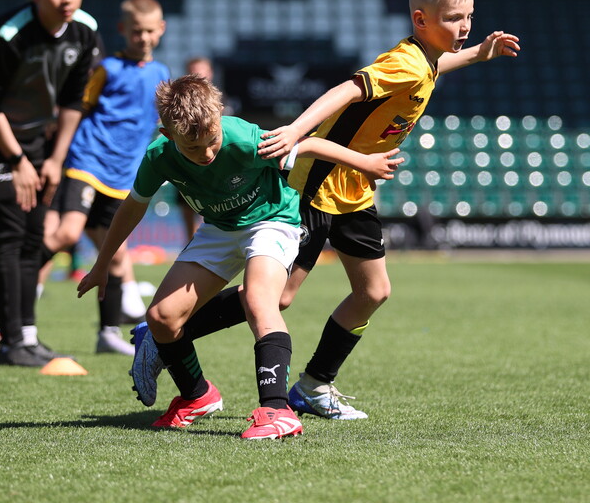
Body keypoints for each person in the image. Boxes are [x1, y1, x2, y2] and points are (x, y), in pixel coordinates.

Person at [129, 0, 519, 419]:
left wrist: (477, 54)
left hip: (354, 188)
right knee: (277, 298)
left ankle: (313, 385)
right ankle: (161, 334)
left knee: (373, 292)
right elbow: (347, 90)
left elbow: (437, 63)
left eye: (469, 16)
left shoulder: (425, 58)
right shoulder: (405, 62)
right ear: (421, 20)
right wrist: (295, 129)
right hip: (315, 185)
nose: (466, 25)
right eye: (455, 18)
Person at [76, 74, 401, 438]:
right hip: (219, 228)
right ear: (169, 136)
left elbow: (309, 146)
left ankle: (277, 410)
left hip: (272, 220)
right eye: (194, 149)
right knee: (162, 317)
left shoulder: (243, 138)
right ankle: (197, 397)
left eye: (212, 141)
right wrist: (102, 264)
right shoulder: (159, 158)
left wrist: (363, 162)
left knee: (261, 302)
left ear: (219, 120)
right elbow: (131, 209)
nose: (208, 154)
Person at [0, 0, 104, 367]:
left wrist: (55, 159)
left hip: (39, 141)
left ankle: (26, 336)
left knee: (33, 236)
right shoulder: (7, 35)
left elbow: (74, 102)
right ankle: (9, 343)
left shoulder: (84, 32)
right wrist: (18, 162)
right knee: (8, 232)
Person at [40, 0, 170, 355]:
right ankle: (7, 300)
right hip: (87, 161)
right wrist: (57, 157)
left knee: (114, 253)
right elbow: (77, 110)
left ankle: (107, 334)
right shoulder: (107, 69)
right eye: (135, 31)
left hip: (122, 173)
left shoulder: (162, 75)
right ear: (122, 30)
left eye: (149, 31)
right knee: (66, 233)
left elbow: (161, 123)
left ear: (161, 30)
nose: (142, 38)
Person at [176, 56, 215, 240]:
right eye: (193, 72)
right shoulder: (177, 105)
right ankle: (190, 245)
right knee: (187, 206)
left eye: (201, 71)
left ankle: (210, 244)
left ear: (210, 73)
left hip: (213, 169)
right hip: (187, 166)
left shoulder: (221, 102)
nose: (198, 76)